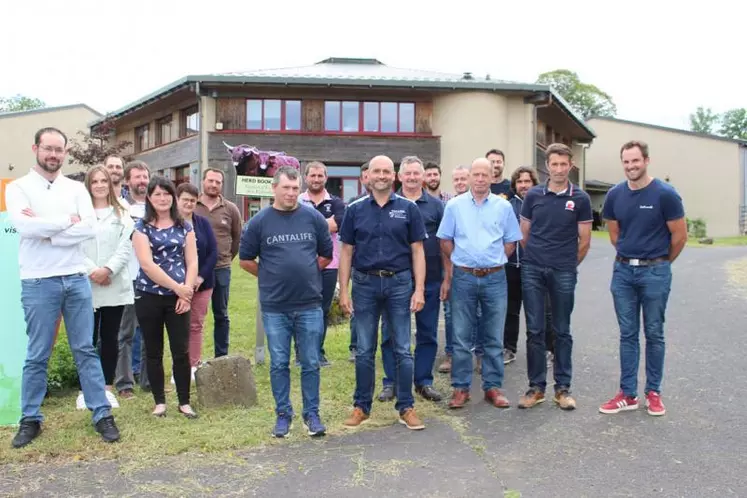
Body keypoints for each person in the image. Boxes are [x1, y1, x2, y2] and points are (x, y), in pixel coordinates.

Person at [7, 127, 120, 448]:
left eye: (59, 149)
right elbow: (25, 226)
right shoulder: (19, 188)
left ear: (66, 152)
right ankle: (30, 418)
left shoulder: (75, 188)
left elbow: (88, 229)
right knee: (38, 353)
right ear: (36, 148)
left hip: (74, 278)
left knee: (85, 348)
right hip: (38, 280)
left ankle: (101, 413)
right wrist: (65, 222)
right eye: (48, 149)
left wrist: (48, 228)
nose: (54, 155)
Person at [239, 166, 333, 438]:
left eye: (295, 188)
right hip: (275, 306)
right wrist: (269, 275)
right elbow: (245, 260)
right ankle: (283, 415)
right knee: (279, 362)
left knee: (311, 361)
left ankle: (312, 414)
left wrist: (306, 272)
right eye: (286, 188)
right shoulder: (259, 222)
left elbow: (326, 255)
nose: (291, 193)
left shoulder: (313, 218)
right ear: (274, 189)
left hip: (309, 305)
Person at [338, 155, 427, 431]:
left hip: (399, 284)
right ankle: (361, 407)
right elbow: (346, 251)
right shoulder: (354, 210)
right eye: (376, 171)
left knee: (403, 348)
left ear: (395, 176)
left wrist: (419, 289)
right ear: (367, 176)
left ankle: (406, 407)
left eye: (387, 171)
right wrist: (344, 291)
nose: (381, 175)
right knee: (364, 349)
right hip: (364, 284)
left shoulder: (409, 209)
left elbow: (417, 251)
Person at [599, 140, 687, 417]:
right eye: (626, 161)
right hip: (624, 272)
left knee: (654, 333)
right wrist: (632, 258)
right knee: (627, 334)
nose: (630, 166)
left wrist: (659, 263)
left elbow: (680, 236)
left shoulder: (665, 194)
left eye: (635, 161)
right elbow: (615, 234)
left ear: (646, 161)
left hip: (655, 272)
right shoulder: (615, 195)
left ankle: (653, 393)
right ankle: (628, 394)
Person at [437, 157, 522, 409]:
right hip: (463, 276)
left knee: (493, 336)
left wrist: (493, 262)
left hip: (495, 277)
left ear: (492, 177)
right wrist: (462, 261)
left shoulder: (503, 207)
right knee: (461, 337)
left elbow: (510, 242)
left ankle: (492, 387)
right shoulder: (454, 206)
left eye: (486, 174)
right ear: (470, 177)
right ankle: (461, 388)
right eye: (477, 174)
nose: (481, 179)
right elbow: (445, 240)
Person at [518, 143, 592, 410]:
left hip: (563, 272)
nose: (559, 169)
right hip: (533, 270)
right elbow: (524, 235)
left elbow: (584, 240)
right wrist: (538, 258)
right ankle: (536, 388)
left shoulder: (581, 199)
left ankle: (563, 389)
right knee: (535, 330)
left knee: (562, 330)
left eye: (564, 164)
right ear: (547, 166)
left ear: (570, 165)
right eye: (554, 164)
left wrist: (568, 265)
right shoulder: (533, 195)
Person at [132, 176, 198, 419]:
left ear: (173, 197)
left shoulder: (185, 227)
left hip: (180, 298)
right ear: (149, 197)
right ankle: (159, 401)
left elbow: (192, 261)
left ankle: (184, 401)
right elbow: (147, 265)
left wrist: (186, 291)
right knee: (153, 350)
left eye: (166, 193)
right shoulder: (141, 228)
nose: (162, 198)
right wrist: (177, 287)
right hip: (149, 296)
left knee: (181, 350)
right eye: (157, 194)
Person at [380, 156, 444, 403]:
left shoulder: (437, 207)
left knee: (427, 333)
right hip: (395, 280)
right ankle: (392, 382)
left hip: (429, 280)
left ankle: (423, 381)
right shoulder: (387, 203)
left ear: (424, 177)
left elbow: (446, 243)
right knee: (391, 333)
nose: (412, 178)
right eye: (408, 174)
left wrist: (446, 278)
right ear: (400, 176)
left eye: (417, 173)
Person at [78, 166, 135, 410]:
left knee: (110, 337)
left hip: (114, 283)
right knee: (86, 339)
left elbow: (125, 247)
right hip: (86, 283)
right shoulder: (80, 213)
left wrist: (108, 270)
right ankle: (85, 390)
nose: (100, 185)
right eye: (95, 181)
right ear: (88, 185)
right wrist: (93, 270)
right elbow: (74, 245)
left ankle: (107, 388)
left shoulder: (123, 212)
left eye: (104, 181)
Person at [503, 166, 555, 365]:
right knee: (511, 310)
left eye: (527, 181)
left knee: (539, 310)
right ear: (515, 185)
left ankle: (546, 349)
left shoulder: (542, 202)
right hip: (511, 266)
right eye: (520, 182)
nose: (523, 185)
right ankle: (509, 348)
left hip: (535, 266)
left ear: (534, 183)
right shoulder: (508, 205)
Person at [299, 161, 345, 367]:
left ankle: (318, 352)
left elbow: (337, 225)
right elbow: (292, 225)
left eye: (320, 176)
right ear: (306, 177)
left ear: (326, 178)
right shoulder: (297, 199)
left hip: (329, 263)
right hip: (300, 264)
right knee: (301, 308)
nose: (316, 179)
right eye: (313, 175)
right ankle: (301, 354)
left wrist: (307, 224)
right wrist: (323, 224)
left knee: (322, 310)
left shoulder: (336, 202)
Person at [194, 168, 242, 358]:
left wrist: (226, 258)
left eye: (218, 182)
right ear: (203, 181)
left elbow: (237, 237)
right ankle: (191, 357)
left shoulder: (230, 209)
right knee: (195, 316)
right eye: (210, 181)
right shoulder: (193, 205)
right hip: (196, 270)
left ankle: (221, 357)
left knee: (221, 314)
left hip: (221, 268)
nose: (214, 185)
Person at [114, 160, 151, 399]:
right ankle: (124, 381)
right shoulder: (118, 207)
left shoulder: (156, 206)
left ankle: (148, 379)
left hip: (151, 280)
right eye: (137, 177)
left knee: (150, 333)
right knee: (125, 333)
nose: (142, 181)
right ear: (128, 181)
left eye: (145, 177)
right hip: (126, 278)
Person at [176, 183, 218, 378]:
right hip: (176, 285)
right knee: (177, 326)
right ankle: (178, 367)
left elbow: (212, 253)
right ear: (177, 200)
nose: (189, 203)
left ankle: (193, 365)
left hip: (202, 284)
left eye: (193, 200)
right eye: (185, 199)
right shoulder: (169, 223)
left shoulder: (203, 223)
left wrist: (200, 277)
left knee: (195, 325)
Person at [439, 165, 471, 374]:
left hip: (476, 269)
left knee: (476, 313)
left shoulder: (480, 204)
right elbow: (444, 242)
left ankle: (477, 354)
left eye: (463, 179)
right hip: (453, 267)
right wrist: (448, 274)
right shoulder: (449, 206)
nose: (460, 182)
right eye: (456, 179)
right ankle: (451, 354)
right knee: (450, 313)